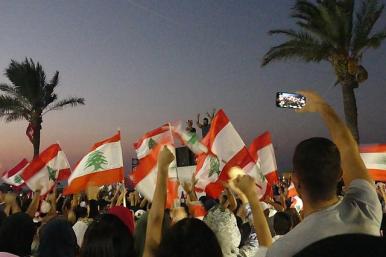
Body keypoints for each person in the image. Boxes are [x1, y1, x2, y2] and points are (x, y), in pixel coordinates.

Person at [265, 91, 382, 257]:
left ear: (296, 181)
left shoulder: (283, 250)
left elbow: (348, 149)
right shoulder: (366, 208)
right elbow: (348, 148)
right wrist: (322, 106)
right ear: (340, 174)